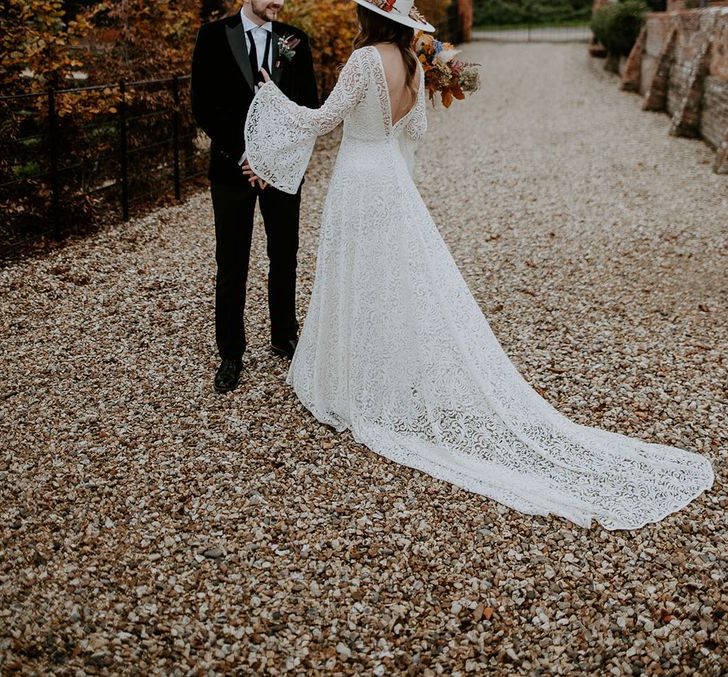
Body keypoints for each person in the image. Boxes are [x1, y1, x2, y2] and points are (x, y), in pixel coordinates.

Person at [243, 0, 714, 529]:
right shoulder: (416, 65)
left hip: (359, 179)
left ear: (369, 18)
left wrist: (271, 98)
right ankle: (382, 375)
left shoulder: (364, 61)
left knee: (357, 275)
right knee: (388, 280)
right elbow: (413, 133)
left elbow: (325, 120)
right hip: (390, 182)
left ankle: (354, 381)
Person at [191, 0, 318, 393]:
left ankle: (284, 335)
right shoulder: (213, 36)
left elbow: (308, 107)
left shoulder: (296, 41)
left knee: (284, 255)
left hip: (282, 172)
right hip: (232, 169)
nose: (278, 2)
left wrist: (272, 158)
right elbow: (203, 105)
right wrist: (247, 155)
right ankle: (230, 352)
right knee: (231, 262)